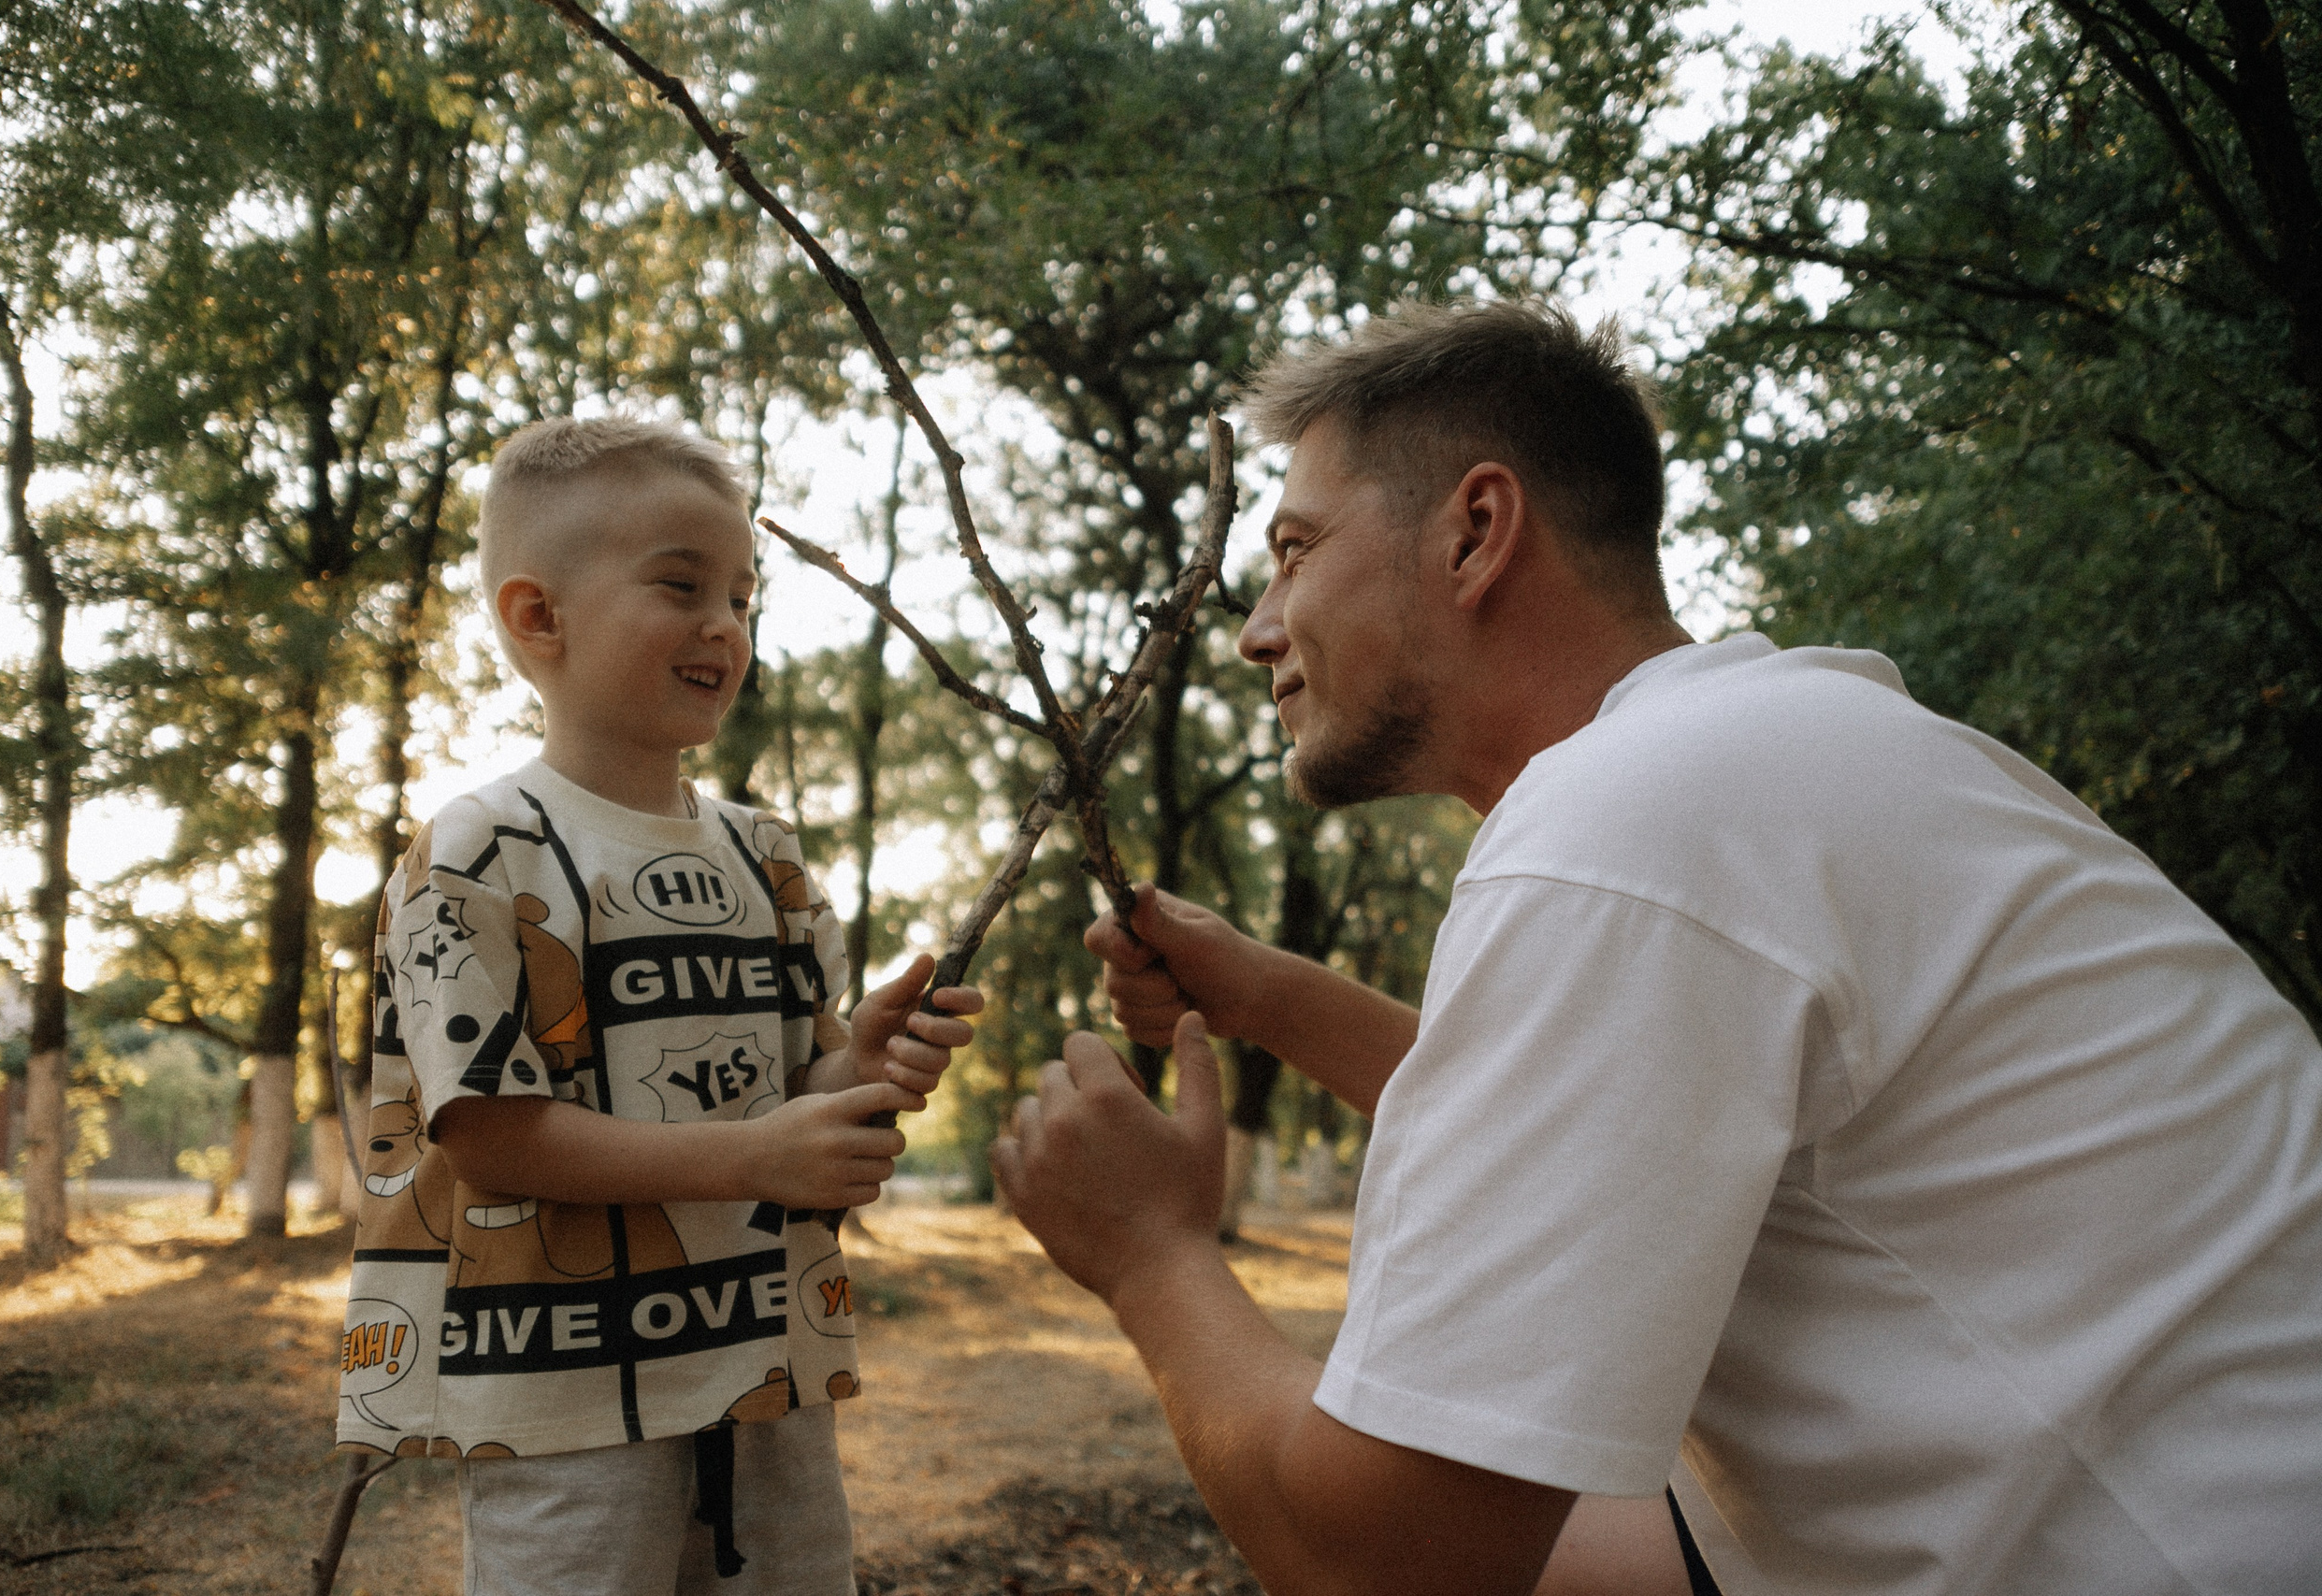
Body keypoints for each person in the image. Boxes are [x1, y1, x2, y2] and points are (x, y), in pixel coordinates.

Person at [992, 299, 2322, 1595]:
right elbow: (1604, 1139)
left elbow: (1385, 1560)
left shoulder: (1621, 825)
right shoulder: (1770, 757)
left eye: (1295, 548)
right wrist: (1273, 997)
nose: (1256, 626)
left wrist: (1151, 1250)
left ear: (1475, 531)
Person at [335, 416, 981, 1595]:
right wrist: (752, 1156)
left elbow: (792, 1103)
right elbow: (488, 1134)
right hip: (564, 1392)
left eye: (743, 596)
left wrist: (864, 1071)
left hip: (762, 1367)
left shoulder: (767, 856)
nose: (724, 626)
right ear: (539, 618)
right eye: (681, 587)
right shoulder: (476, 852)